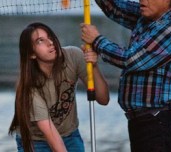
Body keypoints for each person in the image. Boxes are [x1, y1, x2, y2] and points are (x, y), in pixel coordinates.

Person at [76, 0, 171, 152]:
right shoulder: (148, 17)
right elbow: (116, 7)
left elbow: (131, 59)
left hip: (161, 121)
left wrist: (97, 41)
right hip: (145, 121)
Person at [8, 22, 110, 152]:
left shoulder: (73, 56)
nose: (50, 42)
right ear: (31, 54)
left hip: (70, 134)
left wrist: (94, 66)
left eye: (50, 37)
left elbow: (104, 99)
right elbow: (52, 135)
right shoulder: (29, 89)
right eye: (40, 41)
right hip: (35, 140)